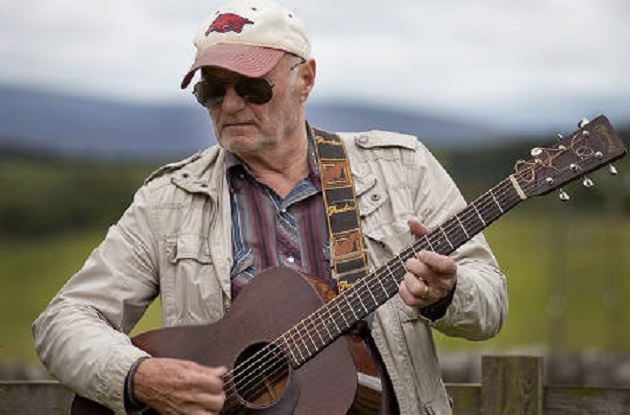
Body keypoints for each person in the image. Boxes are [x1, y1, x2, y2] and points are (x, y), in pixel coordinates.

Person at [33, 0, 508, 414]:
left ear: (306, 79)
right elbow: (64, 321)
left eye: (252, 86)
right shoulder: (168, 199)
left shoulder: (402, 168)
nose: (230, 105)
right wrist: (136, 376)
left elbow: (489, 307)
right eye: (212, 90)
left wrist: (448, 293)